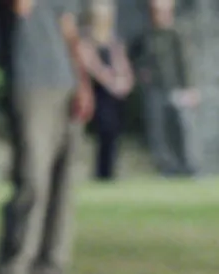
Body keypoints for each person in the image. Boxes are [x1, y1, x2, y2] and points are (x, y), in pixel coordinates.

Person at [0, 0, 96, 274]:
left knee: (63, 181)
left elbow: (69, 31)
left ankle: (51, 267)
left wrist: (82, 83)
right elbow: (20, 7)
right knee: (32, 177)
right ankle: (14, 267)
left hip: (64, 82)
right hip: (30, 84)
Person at [131, 0, 205, 176]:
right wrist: (141, 75)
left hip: (176, 89)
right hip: (154, 90)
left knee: (183, 128)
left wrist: (190, 88)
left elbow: (185, 64)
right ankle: (166, 167)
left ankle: (188, 165)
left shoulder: (177, 35)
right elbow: (135, 60)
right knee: (158, 131)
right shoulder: (145, 37)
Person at [83, 0, 135, 180]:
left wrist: (125, 82)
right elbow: (94, 66)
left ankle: (110, 172)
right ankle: (102, 173)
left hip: (115, 95)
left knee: (114, 133)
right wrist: (111, 82)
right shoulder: (88, 41)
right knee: (104, 131)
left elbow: (122, 64)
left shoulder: (114, 41)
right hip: (99, 93)